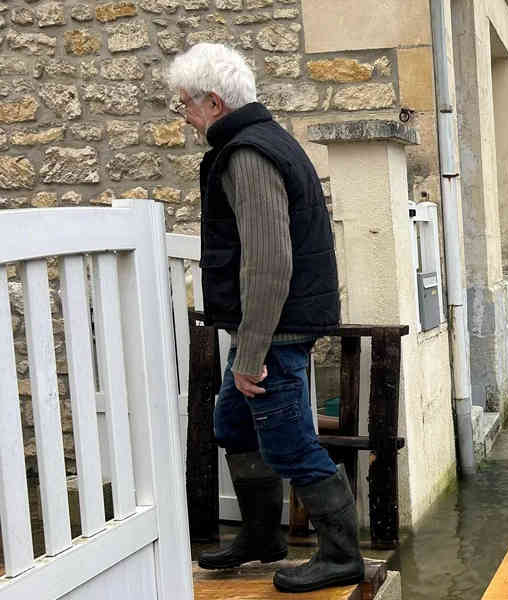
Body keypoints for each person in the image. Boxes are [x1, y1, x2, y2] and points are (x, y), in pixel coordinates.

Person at [168, 43, 362, 593]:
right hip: (269, 326)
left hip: (275, 329)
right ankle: (261, 536)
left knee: (289, 443)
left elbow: (270, 262)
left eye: (185, 102)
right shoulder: (260, 142)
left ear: (213, 102)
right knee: (232, 424)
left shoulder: (249, 155)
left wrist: (250, 354)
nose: (182, 114)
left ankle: (343, 555)